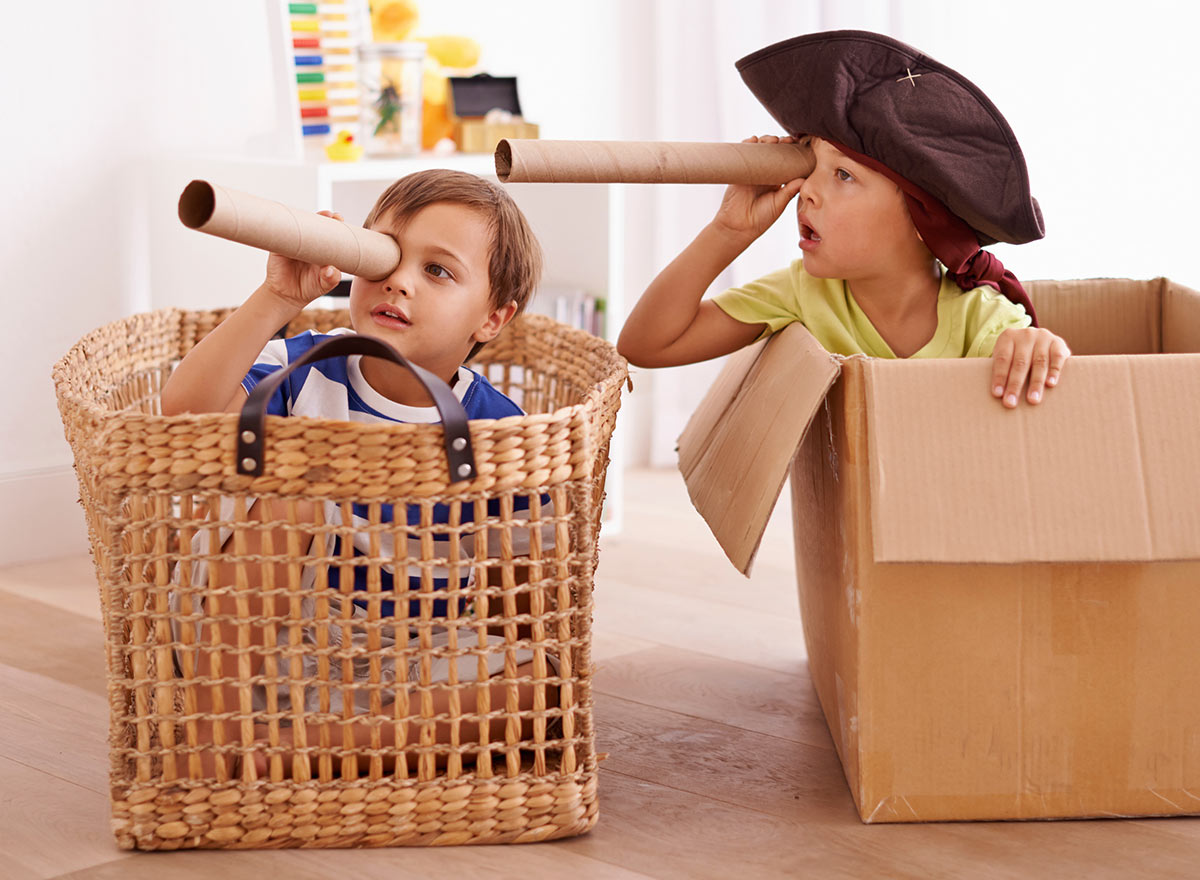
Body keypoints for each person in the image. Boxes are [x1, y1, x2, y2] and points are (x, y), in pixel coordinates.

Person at [161, 169, 555, 779]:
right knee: (294, 499)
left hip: (413, 655)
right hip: (261, 642)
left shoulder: (498, 432)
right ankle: (220, 738)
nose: (397, 280)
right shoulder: (305, 367)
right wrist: (278, 300)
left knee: (546, 683)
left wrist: (510, 652)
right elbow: (184, 413)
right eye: (386, 256)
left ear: (492, 320)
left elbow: (526, 598)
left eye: (437, 271)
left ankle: (328, 749)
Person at [618, 30, 1070, 407]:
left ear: (923, 219)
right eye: (807, 169)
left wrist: (1034, 345)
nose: (805, 191)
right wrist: (728, 232)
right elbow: (645, 345)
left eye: (842, 175)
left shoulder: (983, 318)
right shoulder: (801, 293)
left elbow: (1033, 381)